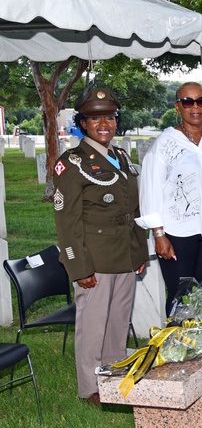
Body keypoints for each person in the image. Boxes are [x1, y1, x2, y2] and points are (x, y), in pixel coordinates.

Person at [52, 87, 146, 406]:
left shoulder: (119, 157)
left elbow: (132, 211)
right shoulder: (72, 163)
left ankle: (115, 375)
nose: (103, 123)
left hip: (124, 256)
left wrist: (139, 252)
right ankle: (90, 388)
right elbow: (67, 223)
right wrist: (79, 267)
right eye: (95, 118)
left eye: (109, 117)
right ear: (82, 123)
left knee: (118, 322)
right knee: (93, 326)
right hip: (95, 259)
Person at [138, 82, 202, 314]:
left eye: (201, 101)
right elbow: (150, 190)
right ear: (177, 106)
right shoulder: (165, 144)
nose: (195, 107)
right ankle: (175, 346)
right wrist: (159, 234)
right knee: (179, 296)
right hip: (176, 234)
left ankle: (198, 347)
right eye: (188, 102)